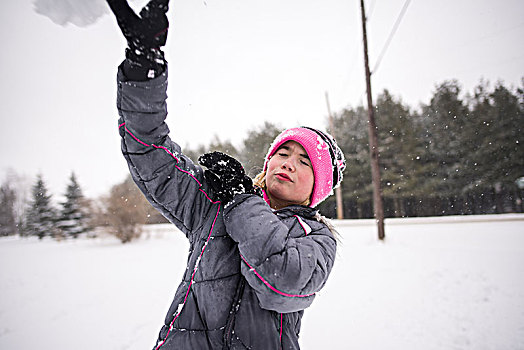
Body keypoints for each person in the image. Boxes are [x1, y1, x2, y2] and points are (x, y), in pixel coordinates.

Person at [107, 0, 346, 349]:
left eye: (305, 161)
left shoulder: (317, 238)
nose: (289, 163)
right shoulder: (215, 206)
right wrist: (145, 72)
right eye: (283, 152)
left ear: (318, 189)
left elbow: (279, 282)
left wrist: (242, 199)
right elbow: (151, 154)